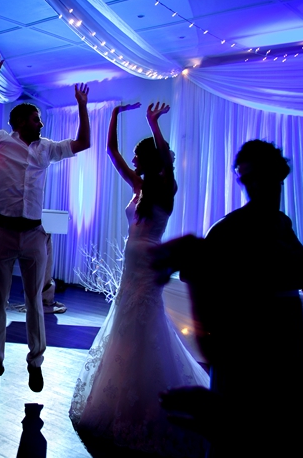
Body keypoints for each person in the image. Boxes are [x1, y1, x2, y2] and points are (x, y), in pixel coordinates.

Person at [69, 102, 209, 456]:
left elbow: (165, 158)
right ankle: (121, 393)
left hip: (147, 267)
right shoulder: (139, 186)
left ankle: (147, 399)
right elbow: (111, 152)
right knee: (125, 326)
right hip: (130, 272)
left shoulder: (167, 186)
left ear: (149, 159)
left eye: (138, 156)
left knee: (144, 326)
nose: (133, 160)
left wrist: (152, 123)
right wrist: (115, 115)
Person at [158, 140, 303, 457]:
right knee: (239, 435)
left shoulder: (282, 223)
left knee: (281, 428)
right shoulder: (230, 227)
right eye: (246, 179)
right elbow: (192, 274)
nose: (252, 186)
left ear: (278, 174)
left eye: (259, 176)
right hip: (248, 344)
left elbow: (302, 269)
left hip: (287, 336)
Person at [0, 52, 91, 394]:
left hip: (34, 234)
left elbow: (84, 143)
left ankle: (36, 363)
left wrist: (82, 106)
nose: (41, 124)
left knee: (35, 301)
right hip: (2, 232)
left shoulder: (46, 149)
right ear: (19, 122)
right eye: (36, 119)